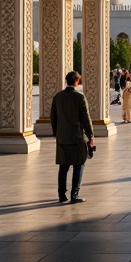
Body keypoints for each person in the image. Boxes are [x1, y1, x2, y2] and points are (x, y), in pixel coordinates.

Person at [50, 70, 94, 203]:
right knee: (79, 164)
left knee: (63, 166)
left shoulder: (58, 97)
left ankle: (61, 195)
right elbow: (86, 119)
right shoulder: (80, 97)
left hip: (62, 137)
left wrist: (57, 133)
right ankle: (74, 195)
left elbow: (53, 117)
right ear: (77, 81)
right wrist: (90, 135)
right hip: (76, 138)